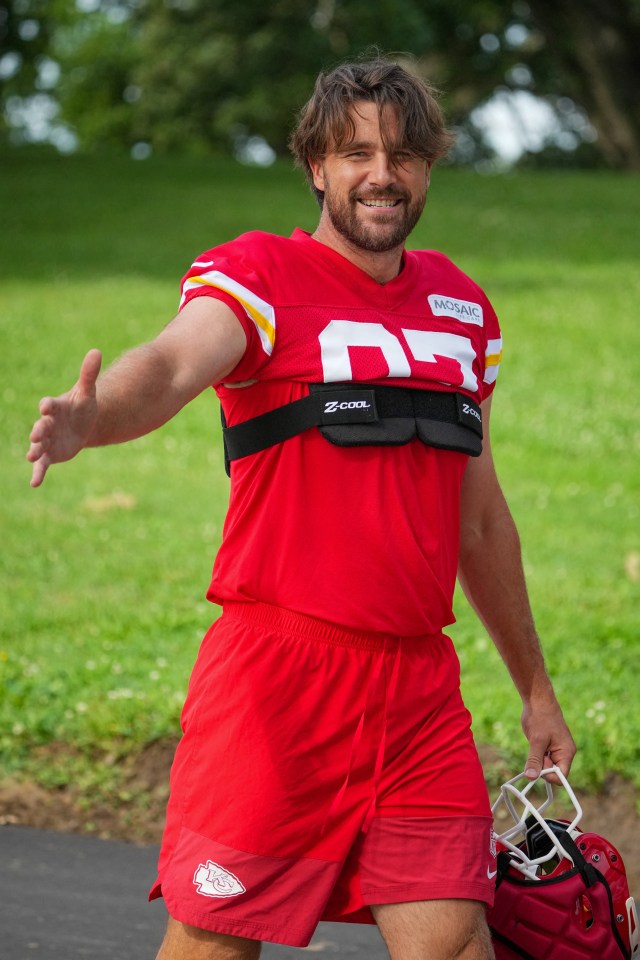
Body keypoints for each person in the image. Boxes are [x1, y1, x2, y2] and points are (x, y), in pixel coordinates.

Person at [27, 57, 576, 960]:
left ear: (428, 169)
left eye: (403, 155)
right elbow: (170, 364)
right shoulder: (260, 275)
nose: (382, 175)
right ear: (316, 166)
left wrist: (536, 689)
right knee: (214, 943)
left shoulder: (462, 311)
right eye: (356, 153)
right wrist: (98, 417)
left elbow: (478, 519)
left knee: (453, 942)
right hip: (277, 683)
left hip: (418, 695)